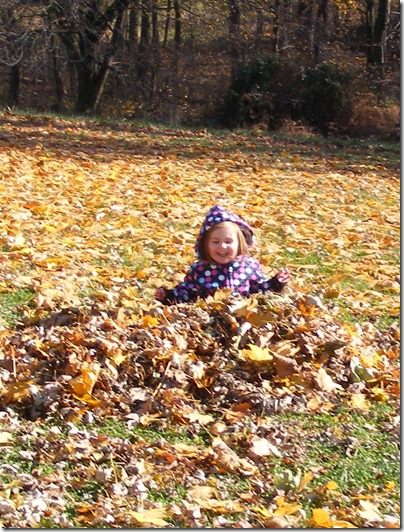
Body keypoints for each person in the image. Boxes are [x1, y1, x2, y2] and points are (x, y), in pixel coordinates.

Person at [155, 205, 291, 305]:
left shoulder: (248, 266)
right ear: (206, 244)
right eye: (215, 242)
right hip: (210, 318)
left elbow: (260, 290)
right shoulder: (200, 270)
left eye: (228, 242)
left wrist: (276, 283)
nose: (222, 247)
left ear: (239, 244)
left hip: (241, 315)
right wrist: (169, 296)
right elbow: (187, 292)